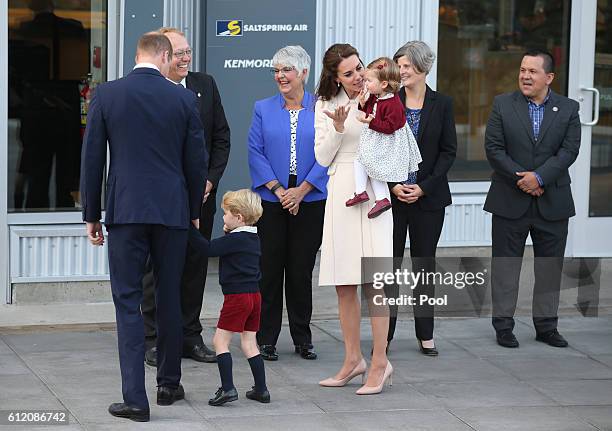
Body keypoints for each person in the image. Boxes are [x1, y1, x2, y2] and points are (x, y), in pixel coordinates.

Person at [80, 33, 207, 422]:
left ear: (137, 56)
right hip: (171, 211)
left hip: (126, 211)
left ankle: (135, 398)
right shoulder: (183, 97)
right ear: (165, 56)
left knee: (127, 302)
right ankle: (169, 384)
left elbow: (92, 157)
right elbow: (195, 161)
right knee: (169, 295)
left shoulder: (108, 94)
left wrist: (91, 213)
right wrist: (193, 211)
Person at [141, 27, 231, 367]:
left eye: (188, 52)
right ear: (163, 55)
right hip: (161, 198)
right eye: (178, 53)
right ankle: (152, 338)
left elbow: (221, 138)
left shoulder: (204, 85)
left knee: (195, 266)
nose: (185, 58)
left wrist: (208, 181)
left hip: (199, 198)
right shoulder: (150, 90)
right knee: (155, 268)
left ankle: (189, 335)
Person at [484, 48, 581, 349]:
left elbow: (568, 151)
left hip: (552, 201)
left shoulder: (568, 108)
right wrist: (523, 179)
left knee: (549, 267)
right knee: (505, 268)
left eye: (532, 71)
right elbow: (494, 148)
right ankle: (503, 327)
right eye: (522, 70)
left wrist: (539, 178)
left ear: (549, 77)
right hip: (509, 200)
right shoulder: (503, 104)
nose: (525, 76)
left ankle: (546, 327)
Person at [314, 43, 392, 395]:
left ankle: (380, 362)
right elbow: (322, 156)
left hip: (374, 190)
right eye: (349, 72)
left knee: (374, 283)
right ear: (335, 77)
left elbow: (394, 141)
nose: (358, 76)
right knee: (345, 283)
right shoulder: (324, 106)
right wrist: (340, 127)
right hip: (341, 191)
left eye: (359, 67)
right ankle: (352, 360)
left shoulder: (382, 95)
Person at [248, 45, 328, 361]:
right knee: (269, 270)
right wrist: (281, 190)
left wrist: (302, 191)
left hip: (310, 201)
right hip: (272, 201)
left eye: (287, 70)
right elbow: (255, 151)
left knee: (299, 270)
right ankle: (266, 338)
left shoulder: (322, 107)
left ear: (303, 73)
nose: (280, 76)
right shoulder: (262, 108)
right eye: (276, 70)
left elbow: (329, 152)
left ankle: (302, 337)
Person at [385, 41, 457, 356]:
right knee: (389, 267)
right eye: (398, 65)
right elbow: (376, 149)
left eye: (406, 66)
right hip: (393, 199)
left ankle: (425, 334)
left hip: (429, 199)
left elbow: (448, 151)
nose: (401, 71)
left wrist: (424, 187)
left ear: (423, 67)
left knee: (424, 266)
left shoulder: (443, 104)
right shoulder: (387, 102)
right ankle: (383, 335)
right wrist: (393, 184)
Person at [189, 189, 270, 406]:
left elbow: (207, 249)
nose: (223, 217)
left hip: (237, 298)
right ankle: (261, 390)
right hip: (254, 296)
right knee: (249, 343)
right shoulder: (253, 237)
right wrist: (227, 232)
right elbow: (233, 252)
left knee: (219, 341)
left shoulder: (236, 239)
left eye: (225, 214)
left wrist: (189, 228)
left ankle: (227, 388)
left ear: (238, 217)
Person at [346, 56, 421, 219]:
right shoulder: (376, 95)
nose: (365, 84)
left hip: (387, 143)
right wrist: (362, 104)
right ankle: (373, 196)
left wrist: (370, 122)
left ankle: (371, 195)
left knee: (370, 165)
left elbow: (389, 128)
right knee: (364, 163)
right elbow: (369, 111)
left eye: (369, 81)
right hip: (377, 140)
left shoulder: (393, 104)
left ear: (384, 84)